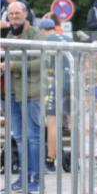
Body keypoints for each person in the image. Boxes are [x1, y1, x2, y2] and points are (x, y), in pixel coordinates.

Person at [1, 1, 43, 193]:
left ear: (26, 13)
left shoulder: (35, 34)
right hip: (12, 93)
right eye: (11, 14)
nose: (14, 16)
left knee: (33, 137)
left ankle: (37, 178)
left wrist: (14, 66)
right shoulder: (10, 35)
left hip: (31, 93)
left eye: (18, 13)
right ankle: (24, 177)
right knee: (18, 137)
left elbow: (43, 61)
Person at [36, 18, 72, 174]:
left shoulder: (46, 40)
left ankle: (50, 161)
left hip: (58, 83)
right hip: (73, 80)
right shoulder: (68, 38)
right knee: (71, 122)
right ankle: (75, 160)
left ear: (43, 30)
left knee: (52, 122)